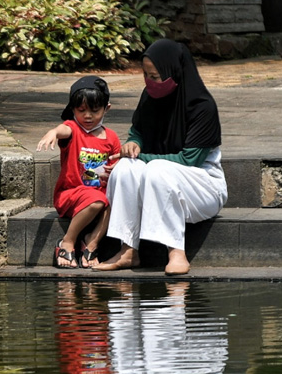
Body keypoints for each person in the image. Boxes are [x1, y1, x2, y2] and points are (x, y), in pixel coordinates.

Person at [94, 39, 228, 275]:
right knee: (125, 168)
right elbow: (138, 132)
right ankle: (127, 250)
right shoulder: (149, 98)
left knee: (157, 168)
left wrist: (143, 158)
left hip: (202, 185)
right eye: (146, 75)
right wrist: (132, 144)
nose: (150, 82)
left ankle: (176, 252)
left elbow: (190, 161)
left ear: (174, 71)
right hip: (156, 179)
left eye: (155, 76)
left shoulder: (202, 107)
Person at [37, 76, 120, 268]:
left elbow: (117, 161)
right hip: (71, 194)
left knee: (116, 199)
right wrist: (53, 132)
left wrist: (117, 166)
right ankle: (67, 241)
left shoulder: (112, 137)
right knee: (97, 200)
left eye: (94, 110)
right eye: (81, 110)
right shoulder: (73, 129)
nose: (88, 116)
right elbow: (63, 130)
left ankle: (91, 242)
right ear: (73, 109)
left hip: (100, 194)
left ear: (106, 108)